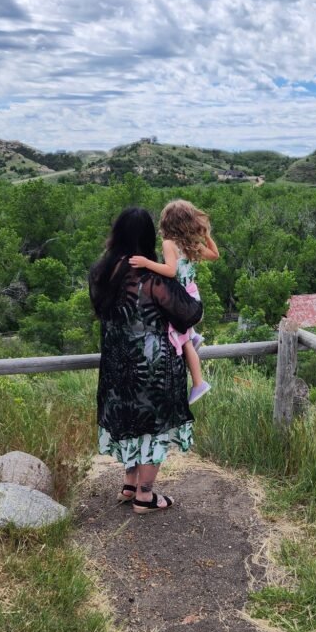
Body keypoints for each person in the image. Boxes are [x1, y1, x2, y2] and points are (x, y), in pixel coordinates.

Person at [89, 207, 203, 513]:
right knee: (153, 428)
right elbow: (190, 313)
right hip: (154, 366)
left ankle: (129, 486)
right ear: (148, 236)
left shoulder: (100, 271)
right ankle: (145, 496)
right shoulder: (153, 276)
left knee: (128, 421)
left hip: (116, 364)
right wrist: (189, 283)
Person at [129, 199, 219, 404]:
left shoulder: (169, 244)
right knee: (185, 335)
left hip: (181, 300)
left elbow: (170, 271)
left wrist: (146, 263)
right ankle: (194, 336)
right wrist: (206, 236)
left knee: (184, 342)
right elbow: (215, 255)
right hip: (193, 296)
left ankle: (198, 383)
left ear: (167, 223)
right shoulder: (191, 244)